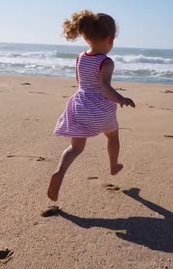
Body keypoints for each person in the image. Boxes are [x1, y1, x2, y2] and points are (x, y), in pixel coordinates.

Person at [47, 10, 135, 201]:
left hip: (81, 106)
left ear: (85, 36)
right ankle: (113, 165)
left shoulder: (80, 57)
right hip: (101, 110)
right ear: (111, 39)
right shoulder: (106, 62)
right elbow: (104, 88)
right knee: (112, 136)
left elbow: (80, 81)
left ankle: (60, 172)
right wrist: (121, 99)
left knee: (75, 148)